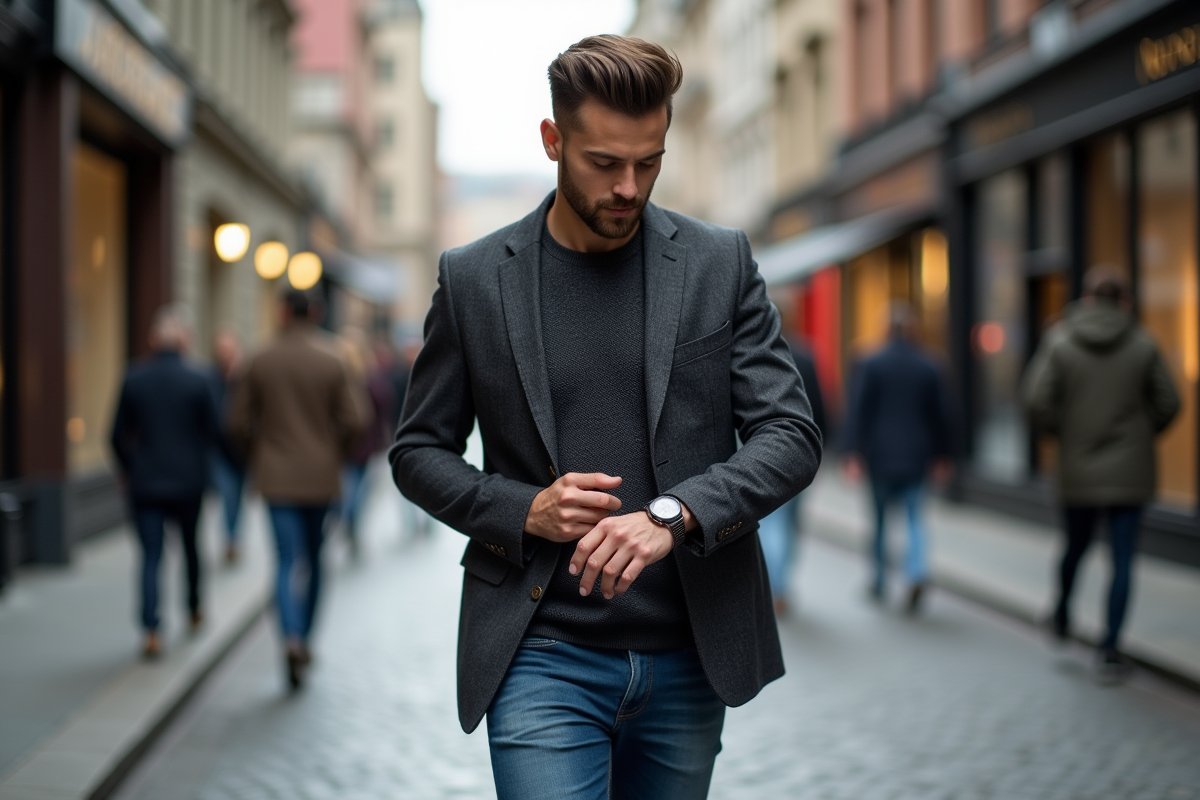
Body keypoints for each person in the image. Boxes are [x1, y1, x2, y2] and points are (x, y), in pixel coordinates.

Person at [390, 35, 821, 800]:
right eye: (604, 163)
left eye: (648, 162)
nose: (629, 186)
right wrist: (526, 509)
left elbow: (790, 435)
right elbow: (418, 449)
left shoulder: (721, 263)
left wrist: (676, 513)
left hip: (689, 650)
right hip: (540, 653)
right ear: (553, 141)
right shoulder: (475, 279)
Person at [1023, 267, 1179, 679]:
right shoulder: (1143, 343)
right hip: (1131, 470)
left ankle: (1061, 612)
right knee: (1123, 560)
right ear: (1124, 301)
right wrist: (1143, 435)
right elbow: (1170, 402)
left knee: (1075, 547)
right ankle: (1110, 648)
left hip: (1077, 467)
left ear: (1088, 298)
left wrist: (1062, 433)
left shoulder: (1061, 340)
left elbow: (1036, 399)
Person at [229, 289, 366, 689]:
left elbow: (236, 422)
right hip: (321, 476)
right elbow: (357, 418)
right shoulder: (333, 358)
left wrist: (260, 451)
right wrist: (332, 450)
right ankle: (305, 636)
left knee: (286, 559)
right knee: (316, 559)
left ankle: (289, 636)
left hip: (276, 476)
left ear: (283, 312)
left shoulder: (260, 358)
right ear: (317, 312)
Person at [111, 305, 218, 659]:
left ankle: (151, 628)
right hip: (188, 482)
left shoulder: (135, 377)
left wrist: (131, 467)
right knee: (190, 549)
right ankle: (194, 608)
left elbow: (115, 435)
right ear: (185, 339)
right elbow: (213, 432)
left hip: (146, 483)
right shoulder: (199, 379)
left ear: (153, 339)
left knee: (151, 557)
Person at [844, 303, 953, 614]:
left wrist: (852, 452)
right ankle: (916, 572)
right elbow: (942, 416)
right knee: (915, 519)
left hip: (878, 456)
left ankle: (878, 580)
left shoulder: (870, 362)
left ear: (886, 330)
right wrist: (943, 456)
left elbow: (858, 411)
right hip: (918, 456)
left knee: (878, 522)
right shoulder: (930, 364)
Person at [756, 323, 827, 615]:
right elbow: (819, 406)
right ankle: (780, 585)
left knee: (773, 523)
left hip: (758, 452)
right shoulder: (805, 354)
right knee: (790, 522)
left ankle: (776, 586)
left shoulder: (754, 352)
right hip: (799, 454)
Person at [337, 328, 396, 556]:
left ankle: (350, 525)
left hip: (353, 446)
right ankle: (350, 523)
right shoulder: (368, 379)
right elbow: (384, 405)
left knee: (354, 490)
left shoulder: (362, 378)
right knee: (356, 492)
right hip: (360, 447)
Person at [208, 327, 246, 565]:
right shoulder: (210, 378)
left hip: (241, 451)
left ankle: (234, 536)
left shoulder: (243, 379)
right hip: (218, 450)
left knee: (237, 498)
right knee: (228, 495)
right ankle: (230, 539)